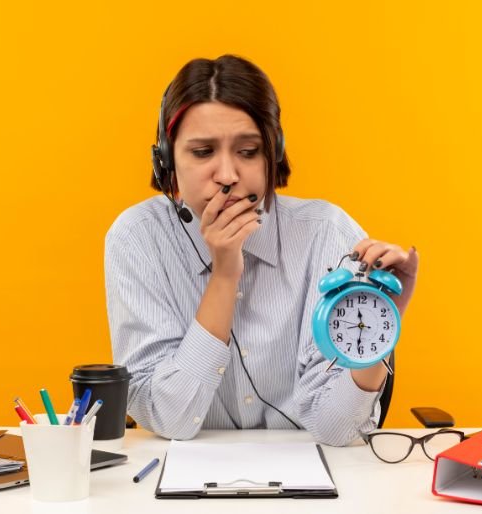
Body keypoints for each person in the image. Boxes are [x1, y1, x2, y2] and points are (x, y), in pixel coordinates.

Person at [104, 55, 418, 446]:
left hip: (311, 482)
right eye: (203, 152)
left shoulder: (328, 234)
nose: (227, 175)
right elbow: (170, 417)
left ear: (275, 153)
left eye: (248, 151)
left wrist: (378, 333)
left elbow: (338, 431)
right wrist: (224, 275)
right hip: (180, 478)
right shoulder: (138, 239)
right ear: (166, 160)